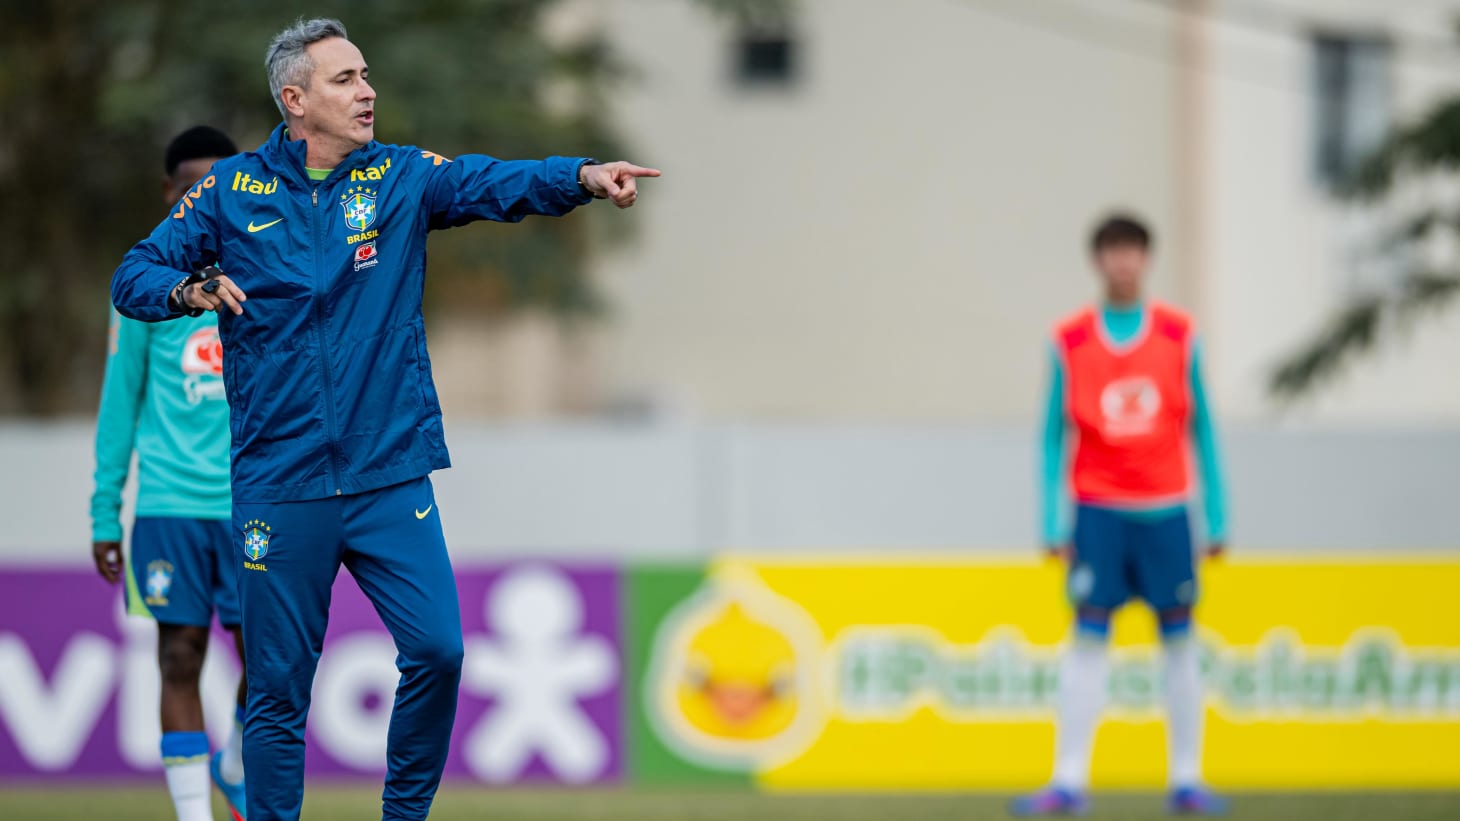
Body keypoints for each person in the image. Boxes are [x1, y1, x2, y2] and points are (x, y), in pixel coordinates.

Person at [110, 17, 658, 821]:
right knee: (276, 691)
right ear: (295, 100)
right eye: (345, 79)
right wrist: (186, 290)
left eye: (365, 75)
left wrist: (580, 175)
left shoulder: (399, 177)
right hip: (280, 483)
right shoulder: (229, 192)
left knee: (439, 649)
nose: (367, 91)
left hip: (389, 473)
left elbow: (487, 182)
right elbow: (134, 271)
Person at [1011, 214, 1230, 817]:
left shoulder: (1179, 334)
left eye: (1132, 249)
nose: (1123, 261)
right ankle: (1067, 782)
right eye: (1112, 250)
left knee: (1179, 638)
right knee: (1087, 638)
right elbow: (1050, 436)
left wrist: (1216, 514)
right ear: (1098, 260)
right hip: (1098, 513)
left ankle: (1187, 779)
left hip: (1165, 512)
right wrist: (1052, 522)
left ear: (1147, 258)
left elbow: (1204, 428)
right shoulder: (1070, 339)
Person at [92, 125, 250, 821]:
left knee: (272, 661)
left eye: (219, 184)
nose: (204, 197)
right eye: (192, 186)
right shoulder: (145, 288)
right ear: (169, 192)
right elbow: (119, 403)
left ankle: (237, 760)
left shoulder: (264, 269)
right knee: (179, 658)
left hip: (254, 504)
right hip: (168, 504)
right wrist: (104, 512)